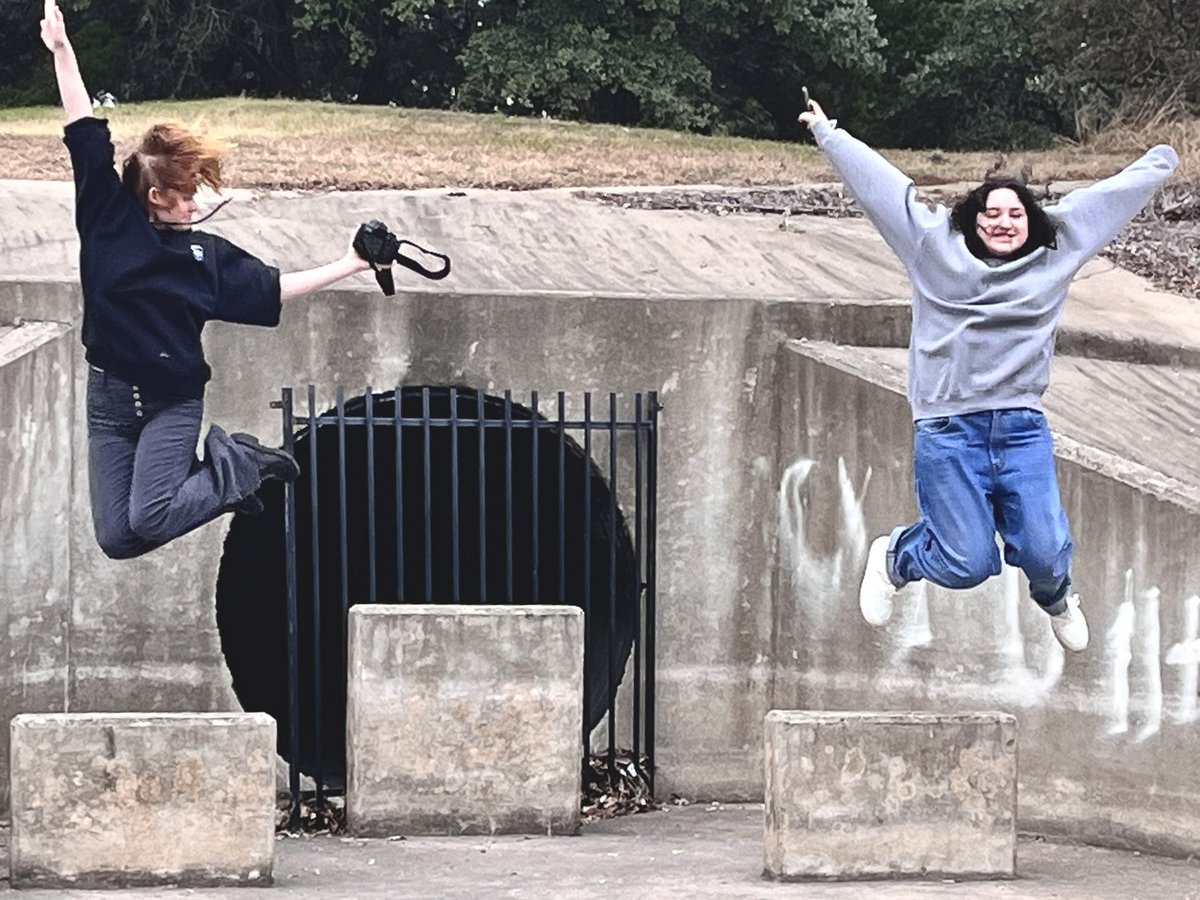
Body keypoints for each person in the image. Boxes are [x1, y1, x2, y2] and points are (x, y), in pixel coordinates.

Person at [798, 96, 1178, 653]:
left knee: (1047, 554)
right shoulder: (934, 249)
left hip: (1022, 429)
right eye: (992, 213)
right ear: (972, 220)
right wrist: (829, 134)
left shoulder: (1056, 251)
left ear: (1033, 221)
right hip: (949, 433)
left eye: (1016, 213)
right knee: (969, 562)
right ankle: (897, 556)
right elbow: (885, 191)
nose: (1004, 223)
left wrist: (1162, 160)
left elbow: (1107, 200)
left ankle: (1056, 598)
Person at [41, 0, 383, 560]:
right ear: (157, 197)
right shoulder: (106, 219)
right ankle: (237, 472)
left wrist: (350, 264)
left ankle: (240, 462)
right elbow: (82, 128)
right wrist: (62, 50)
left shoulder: (204, 255)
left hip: (170, 401)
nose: (195, 201)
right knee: (118, 538)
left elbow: (275, 288)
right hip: (107, 401)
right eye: (186, 193)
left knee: (150, 513)